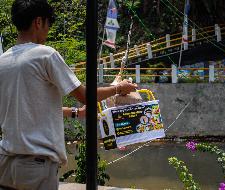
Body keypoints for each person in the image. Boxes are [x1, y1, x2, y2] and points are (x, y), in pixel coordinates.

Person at [0, 0, 137, 189]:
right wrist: (118, 88)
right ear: (38, 22)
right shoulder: (45, 55)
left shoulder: (3, 61)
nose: (48, 31)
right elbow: (85, 95)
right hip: (36, 166)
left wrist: (75, 112)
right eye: (49, 24)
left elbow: (25, 107)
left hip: (5, 162)